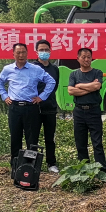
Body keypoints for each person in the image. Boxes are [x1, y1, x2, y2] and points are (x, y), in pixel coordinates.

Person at [0, 42, 56, 169]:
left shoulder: (35, 69)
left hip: (31, 107)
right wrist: (4, 96)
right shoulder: (8, 69)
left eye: (23, 52)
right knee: (15, 137)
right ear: (13, 54)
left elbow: (51, 81)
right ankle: (15, 166)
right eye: (18, 52)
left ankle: (30, 166)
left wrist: (42, 97)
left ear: (27, 54)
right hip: (15, 107)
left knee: (32, 139)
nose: (21, 55)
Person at [68, 47, 106, 172]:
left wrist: (79, 86)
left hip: (93, 110)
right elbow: (70, 91)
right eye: (83, 57)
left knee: (97, 142)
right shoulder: (74, 74)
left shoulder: (97, 72)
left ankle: (101, 170)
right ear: (78, 58)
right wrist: (89, 87)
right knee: (81, 143)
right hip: (79, 111)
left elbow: (97, 86)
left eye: (89, 57)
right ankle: (84, 170)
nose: (86, 59)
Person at [32, 39, 61, 173]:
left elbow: (54, 86)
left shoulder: (54, 68)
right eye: (41, 50)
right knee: (33, 137)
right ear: (36, 51)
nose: (44, 52)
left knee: (50, 138)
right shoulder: (32, 67)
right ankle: (32, 163)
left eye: (46, 50)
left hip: (50, 107)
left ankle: (51, 163)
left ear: (50, 51)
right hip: (34, 107)